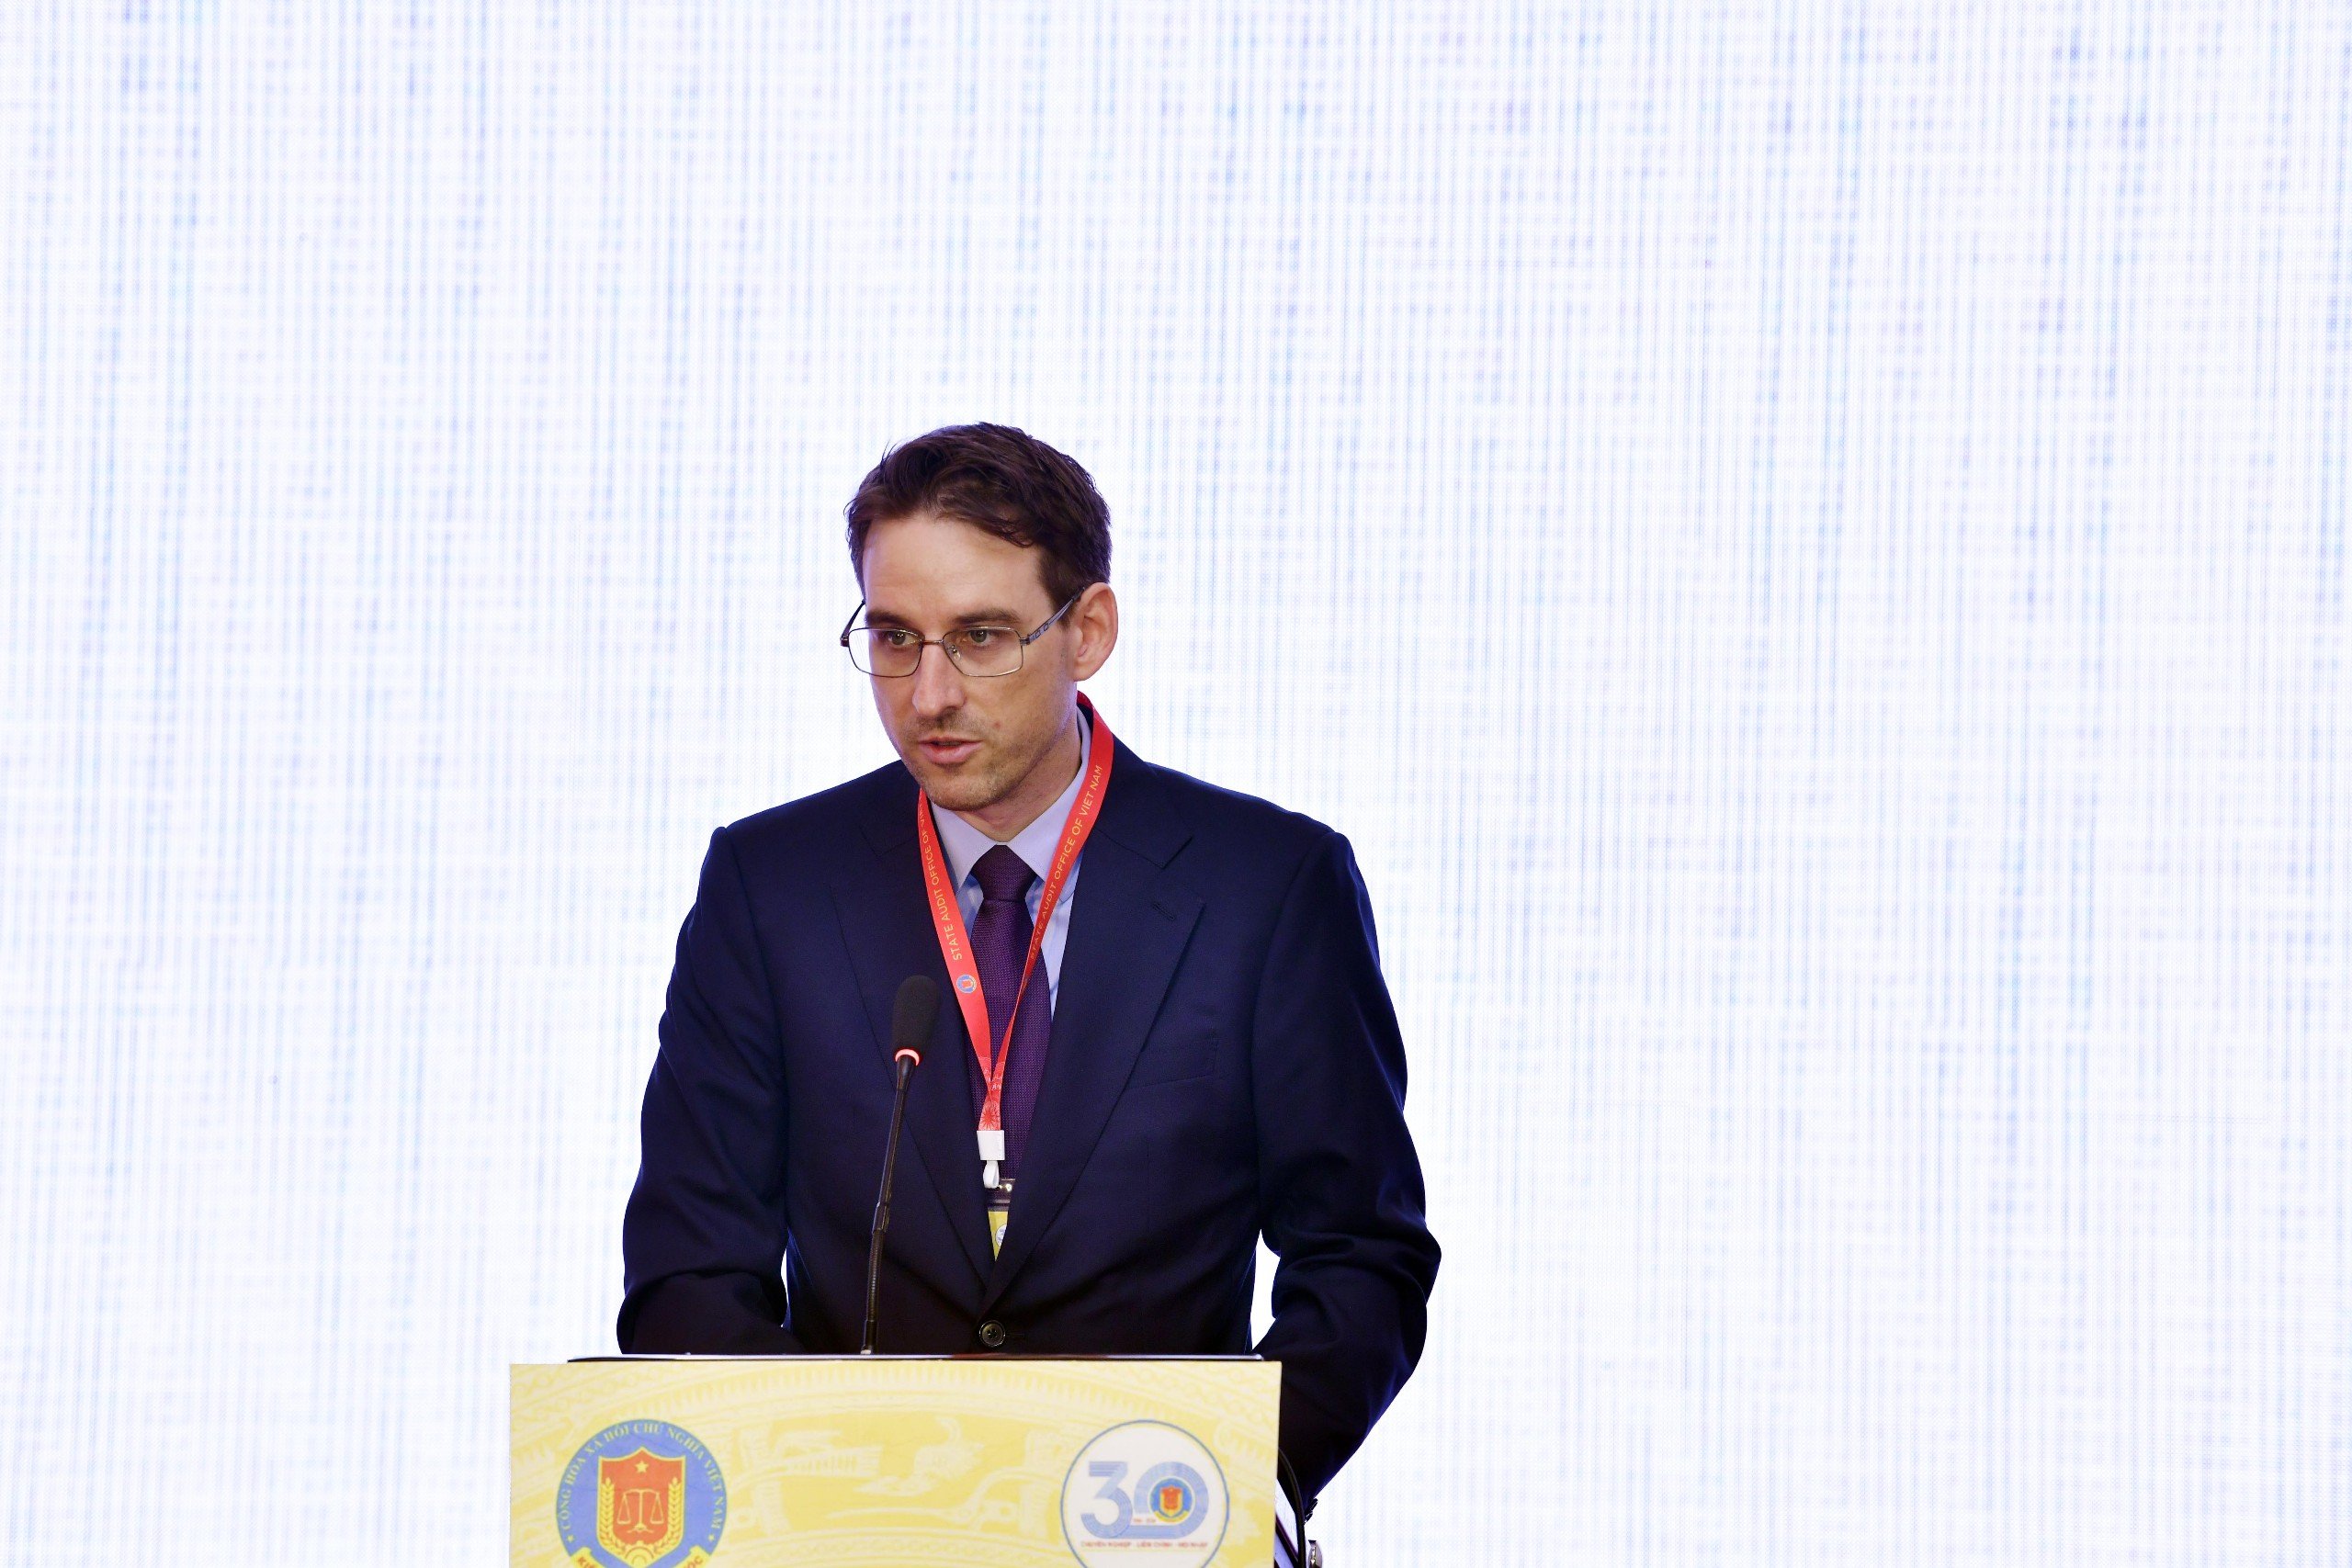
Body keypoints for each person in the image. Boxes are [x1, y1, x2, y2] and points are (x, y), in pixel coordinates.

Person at [617, 423, 1440, 1509]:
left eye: (982, 638)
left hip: (1154, 1530)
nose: (929, 694)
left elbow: (1359, 1257)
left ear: (1087, 630)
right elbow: (688, 1270)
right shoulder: (772, 887)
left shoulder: (1267, 886)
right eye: (895, 638)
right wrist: (826, 1493)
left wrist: (1224, 1487)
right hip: (853, 1530)